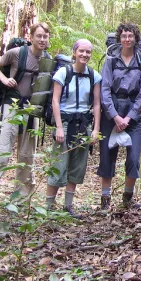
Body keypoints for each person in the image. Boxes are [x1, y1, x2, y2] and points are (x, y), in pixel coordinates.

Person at [0, 22, 51, 218]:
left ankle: (22, 202)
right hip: (10, 106)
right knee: (0, 155)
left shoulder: (48, 59)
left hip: (32, 110)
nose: (42, 39)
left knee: (27, 158)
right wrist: (3, 79)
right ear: (32, 37)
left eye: (45, 36)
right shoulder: (17, 52)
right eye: (39, 36)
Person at [45, 39, 101, 218]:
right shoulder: (63, 73)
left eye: (88, 52)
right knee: (58, 164)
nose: (85, 55)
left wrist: (95, 130)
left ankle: (68, 206)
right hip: (66, 122)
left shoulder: (94, 76)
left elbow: (97, 104)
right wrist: (59, 127)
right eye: (81, 51)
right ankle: (48, 206)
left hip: (84, 124)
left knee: (77, 165)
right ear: (74, 52)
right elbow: (55, 100)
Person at [98, 23, 141, 211]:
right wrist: (114, 116)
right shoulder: (111, 61)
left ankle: (127, 197)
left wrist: (129, 117)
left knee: (134, 158)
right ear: (119, 38)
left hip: (133, 114)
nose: (127, 39)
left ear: (136, 38)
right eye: (124, 36)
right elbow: (104, 89)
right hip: (111, 112)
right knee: (107, 156)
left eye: (130, 36)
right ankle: (105, 199)